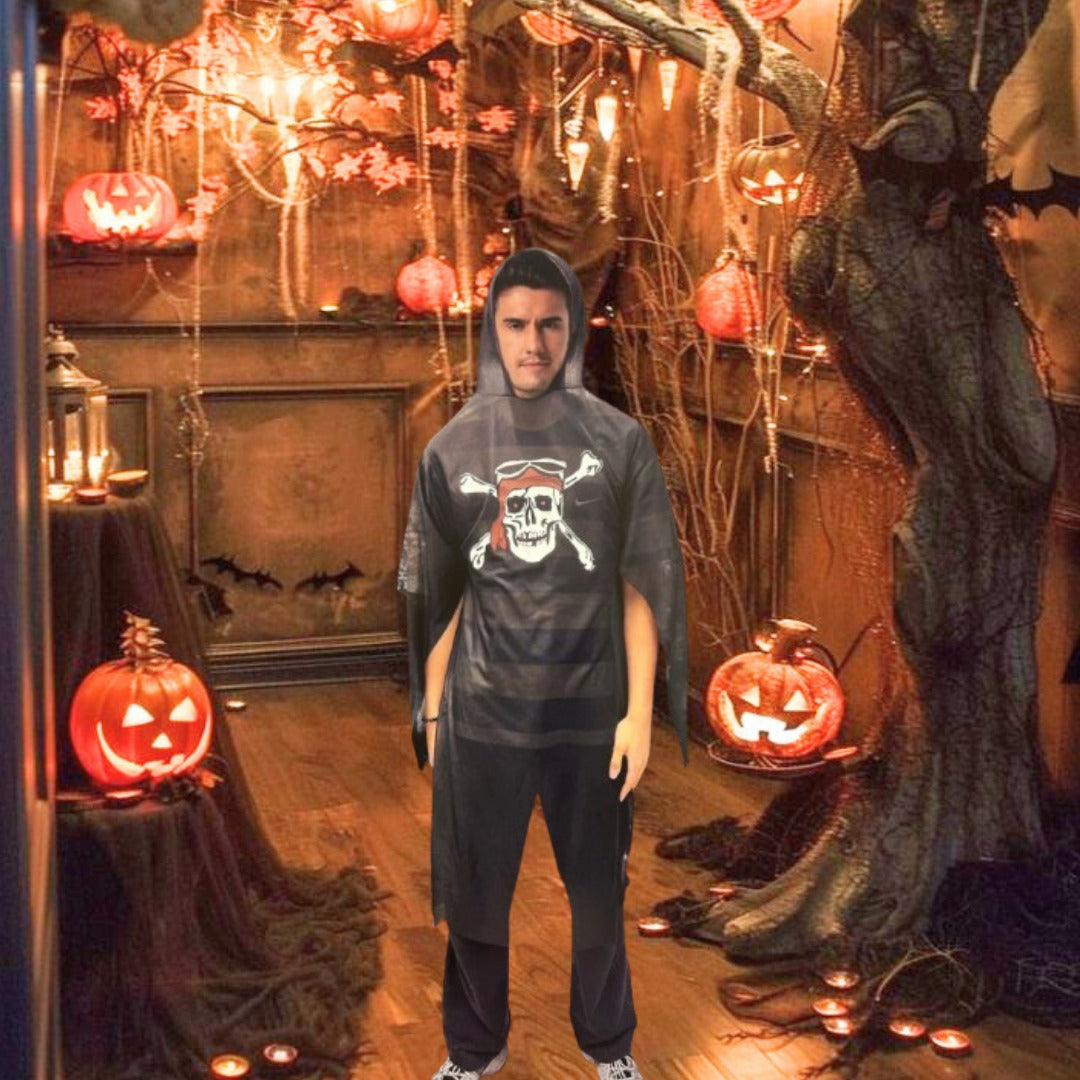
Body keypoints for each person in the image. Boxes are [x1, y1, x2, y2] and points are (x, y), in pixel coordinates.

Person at [397, 247, 688, 1080]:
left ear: (574, 330)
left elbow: (640, 586)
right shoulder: (452, 448)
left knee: (597, 894)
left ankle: (609, 1048)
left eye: (550, 324)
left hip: (591, 711)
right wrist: (435, 708)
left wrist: (637, 714)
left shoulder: (619, 443)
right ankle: (473, 1051)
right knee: (476, 892)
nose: (533, 343)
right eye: (516, 324)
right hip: (484, 710)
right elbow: (442, 594)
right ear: (493, 330)